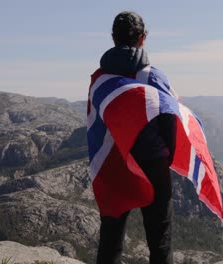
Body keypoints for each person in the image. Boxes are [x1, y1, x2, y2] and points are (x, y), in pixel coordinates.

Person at [95, 11, 176, 264]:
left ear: (112, 38)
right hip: (153, 163)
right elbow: (169, 120)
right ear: (143, 38)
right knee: (159, 235)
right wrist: (167, 156)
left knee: (111, 234)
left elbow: (96, 124)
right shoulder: (154, 77)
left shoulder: (99, 79)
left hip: (114, 162)